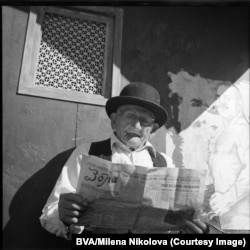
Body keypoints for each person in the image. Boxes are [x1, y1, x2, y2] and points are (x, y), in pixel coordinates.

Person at [40, 82, 209, 238]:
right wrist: (64, 217)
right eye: (130, 116)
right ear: (114, 121)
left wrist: (191, 229)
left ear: (153, 129)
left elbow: (174, 221)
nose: (136, 126)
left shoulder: (164, 162)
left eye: (144, 121)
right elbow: (50, 215)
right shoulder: (88, 152)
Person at [209, 84, 250, 230]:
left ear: (240, 103)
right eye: (219, 98)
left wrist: (226, 198)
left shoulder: (243, 129)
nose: (221, 102)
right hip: (224, 212)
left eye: (227, 98)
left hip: (240, 217)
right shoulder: (224, 130)